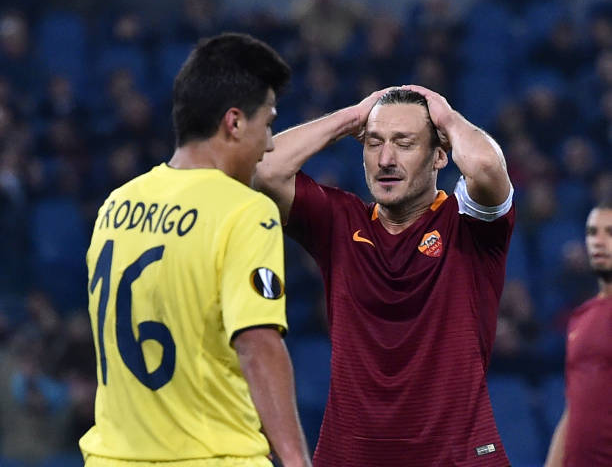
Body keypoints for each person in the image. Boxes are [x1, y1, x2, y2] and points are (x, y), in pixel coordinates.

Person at [79, 33, 311, 467]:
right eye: (270, 123)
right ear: (235, 122)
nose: (272, 143)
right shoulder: (245, 212)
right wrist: (297, 459)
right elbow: (257, 345)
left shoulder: (116, 205)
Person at [255, 86, 514, 465]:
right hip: (350, 456)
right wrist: (353, 117)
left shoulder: (469, 225)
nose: (386, 160)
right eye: (374, 144)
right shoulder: (340, 222)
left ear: (440, 155)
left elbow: (488, 167)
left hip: (457, 457)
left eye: (405, 144)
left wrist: (446, 116)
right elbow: (264, 170)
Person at [544, 200, 612, 467]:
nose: (598, 241)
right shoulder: (580, 318)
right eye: (592, 233)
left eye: (610, 232)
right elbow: (572, 409)